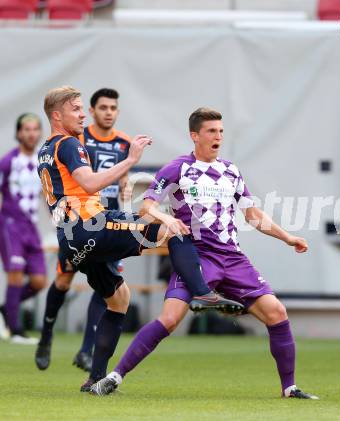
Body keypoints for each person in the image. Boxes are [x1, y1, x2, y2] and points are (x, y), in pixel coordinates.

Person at [91, 107, 318, 400]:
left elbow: (251, 214)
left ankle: (290, 388)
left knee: (276, 312)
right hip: (196, 258)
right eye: (212, 131)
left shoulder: (231, 170)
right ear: (195, 135)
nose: (218, 137)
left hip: (233, 258)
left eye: (221, 131)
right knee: (170, 319)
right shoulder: (178, 168)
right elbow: (146, 206)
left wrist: (287, 237)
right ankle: (114, 377)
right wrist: (167, 218)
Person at [36, 87, 243, 392]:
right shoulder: (68, 143)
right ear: (57, 116)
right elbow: (90, 182)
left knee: (119, 300)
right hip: (91, 226)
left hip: (71, 239)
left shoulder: (46, 147)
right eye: (77, 109)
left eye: (82, 109)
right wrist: (131, 159)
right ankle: (201, 292)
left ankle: (95, 379)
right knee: (172, 229)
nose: (83, 114)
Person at [35, 88, 131, 373]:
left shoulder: (124, 143)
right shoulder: (75, 139)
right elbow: (64, 182)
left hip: (106, 221)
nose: (109, 112)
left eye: (113, 107)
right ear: (92, 111)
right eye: (103, 107)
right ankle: (46, 335)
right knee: (64, 281)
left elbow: (120, 182)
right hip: (78, 225)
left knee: (107, 286)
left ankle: (87, 350)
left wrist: (124, 190)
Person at [0, 113, 47, 344]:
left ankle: (6, 309)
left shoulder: (42, 161)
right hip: (10, 224)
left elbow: (47, 195)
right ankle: (15, 328)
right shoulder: (8, 161)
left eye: (35, 129)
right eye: (26, 129)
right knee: (15, 277)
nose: (31, 133)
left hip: (31, 225)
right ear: (19, 133)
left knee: (39, 281)